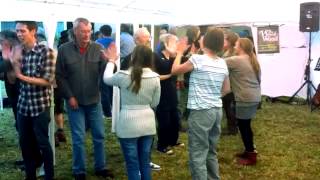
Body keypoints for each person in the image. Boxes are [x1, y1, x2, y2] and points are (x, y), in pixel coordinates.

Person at [55, 17, 114, 179]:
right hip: (75, 102)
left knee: (99, 135)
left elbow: (105, 73)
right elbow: (59, 76)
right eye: (83, 31)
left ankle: (100, 167)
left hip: (94, 100)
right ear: (75, 31)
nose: (87, 34)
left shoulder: (98, 48)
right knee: (78, 137)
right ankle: (79, 170)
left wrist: (110, 61)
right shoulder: (64, 49)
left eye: (89, 31)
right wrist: (69, 96)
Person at [171, 27, 230, 180]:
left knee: (198, 151)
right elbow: (226, 89)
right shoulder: (222, 63)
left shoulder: (198, 59)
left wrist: (178, 53)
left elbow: (175, 70)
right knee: (211, 150)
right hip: (217, 109)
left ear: (206, 41)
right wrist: (212, 96)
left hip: (201, 111)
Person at [103, 44, 161, 180]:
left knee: (132, 164)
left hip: (127, 124)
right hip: (148, 123)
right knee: (145, 163)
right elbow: (154, 103)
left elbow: (106, 79)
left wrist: (111, 61)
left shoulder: (123, 75)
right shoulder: (155, 77)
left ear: (133, 57)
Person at [13, 21, 55, 180]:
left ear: (33, 31)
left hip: (40, 106)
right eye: (17, 31)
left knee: (43, 143)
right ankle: (30, 175)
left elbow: (47, 81)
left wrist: (21, 76)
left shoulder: (46, 52)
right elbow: (11, 79)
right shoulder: (19, 52)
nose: (19, 34)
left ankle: (49, 176)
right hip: (23, 106)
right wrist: (13, 61)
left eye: (22, 31)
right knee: (25, 143)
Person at [120, 27, 161, 171]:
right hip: (134, 106)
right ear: (136, 39)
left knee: (146, 137)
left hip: (148, 105)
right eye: (146, 37)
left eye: (149, 36)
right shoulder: (128, 59)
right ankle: (135, 163)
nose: (149, 39)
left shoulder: (152, 55)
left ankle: (145, 161)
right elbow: (123, 82)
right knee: (135, 139)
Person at [225, 38, 261, 165]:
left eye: (236, 45)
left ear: (241, 47)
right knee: (246, 125)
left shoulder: (236, 60)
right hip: (254, 97)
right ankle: (249, 150)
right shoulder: (253, 60)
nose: (234, 47)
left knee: (244, 127)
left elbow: (217, 63)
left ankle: (251, 156)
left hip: (245, 98)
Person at [154, 33, 184, 155]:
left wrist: (175, 55)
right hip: (161, 92)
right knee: (164, 121)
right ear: (165, 44)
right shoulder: (156, 56)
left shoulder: (173, 57)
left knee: (175, 120)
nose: (176, 45)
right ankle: (162, 145)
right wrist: (169, 75)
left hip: (171, 92)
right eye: (173, 43)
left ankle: (173, 140)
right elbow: (154, 76)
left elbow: (176, 69)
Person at [0, 30, 24, 169]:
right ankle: (26, 156)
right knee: (19, 126)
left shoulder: (20, 50)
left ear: (8, 40)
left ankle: (32, 158)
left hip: (24, 94)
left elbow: (8, 66)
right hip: (13, 92)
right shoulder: (7, 52)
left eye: (1, 40)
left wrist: (6, 57)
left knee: (25, 127)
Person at [221, 30, 239, 135]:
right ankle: (231, 126)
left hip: (231, 84)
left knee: (230, 107)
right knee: (228, 106)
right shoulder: (227, 52)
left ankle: (233, 129)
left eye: (224, 39)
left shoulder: (233, 54)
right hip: (228, 83)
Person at [96, 24, 114, 118]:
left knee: (104, 89)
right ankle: (114, 110)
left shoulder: (98, 42)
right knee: (112, 89)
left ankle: (107, 113)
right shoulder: (115, 41)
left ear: (102, 33)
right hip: (114, 65)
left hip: (103, 66)